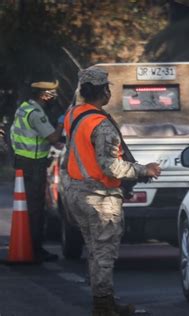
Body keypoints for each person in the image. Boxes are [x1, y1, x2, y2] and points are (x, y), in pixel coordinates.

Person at [61, 66, 161, 316]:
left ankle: (104, 299)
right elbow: (110, 166)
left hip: (76, 192)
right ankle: (103, 305)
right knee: (104, 253)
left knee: (95, 251)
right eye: (107, 88)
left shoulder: (73, 114)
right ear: (103, 91)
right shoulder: (101, 124)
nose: (109, 92)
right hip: (99, 197)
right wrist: (144, 170)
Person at [10, 80, 64, 262]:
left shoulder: (24, 108)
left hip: (23, 161)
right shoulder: (36, 113)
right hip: (33, 164)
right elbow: (53, 137)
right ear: (43, 95)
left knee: (26, 206)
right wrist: (61, 123)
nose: (53, 98)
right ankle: (35, 249)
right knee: (35, 208)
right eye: (51, 94)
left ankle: (28, 245)